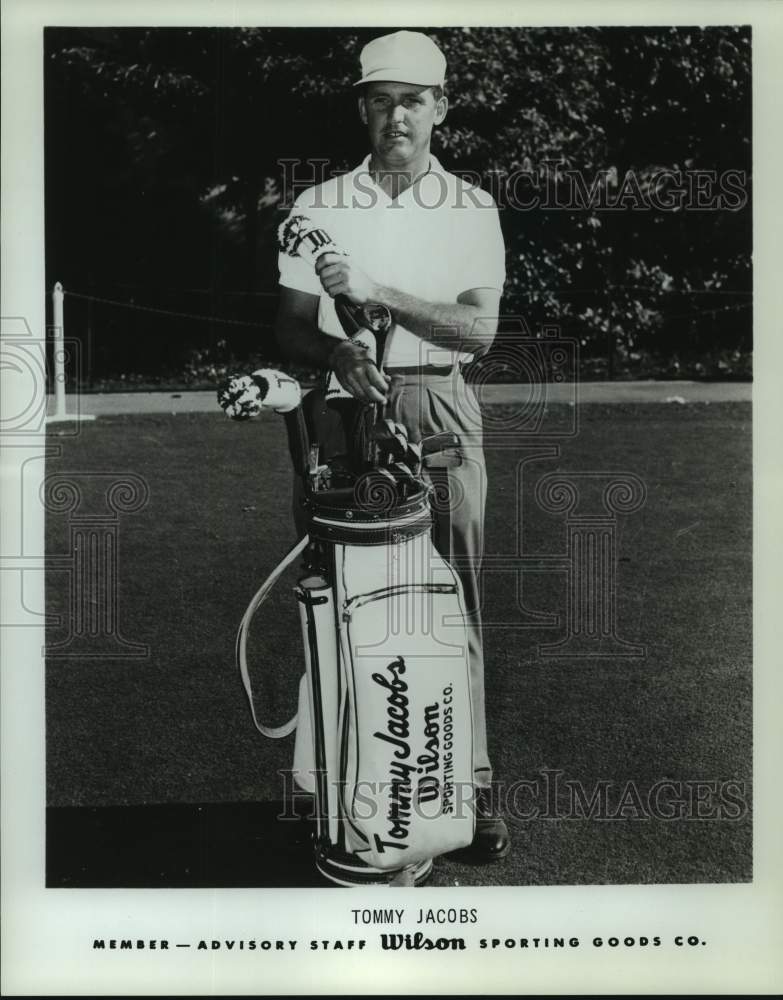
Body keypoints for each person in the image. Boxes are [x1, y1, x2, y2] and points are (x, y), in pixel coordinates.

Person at [275, 29, 509, 862]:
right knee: (336, 601)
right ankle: (329, 788)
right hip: (342, 414)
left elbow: (477, 331)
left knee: (452, 606)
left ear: (440, 108)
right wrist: (337, 350)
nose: (395, 116)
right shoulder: (320, 206)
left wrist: (379, 295)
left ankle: (469, 789)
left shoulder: (472, 205)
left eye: (412, 99)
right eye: (380, 100)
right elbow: (291, 326)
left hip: (439, 404)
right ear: (362, 108)